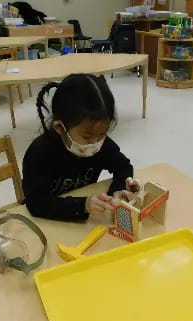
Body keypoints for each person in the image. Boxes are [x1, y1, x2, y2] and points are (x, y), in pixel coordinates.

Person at [22, 74, 133, 221]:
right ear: (60, 127)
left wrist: (118, 190)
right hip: (48, 221)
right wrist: (82, 205)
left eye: (102, 134)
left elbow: (124, 167)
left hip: (82, 224)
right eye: (87, 137)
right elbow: (36, 202)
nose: (95, 142)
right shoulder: (40, 153)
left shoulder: (102, 143)